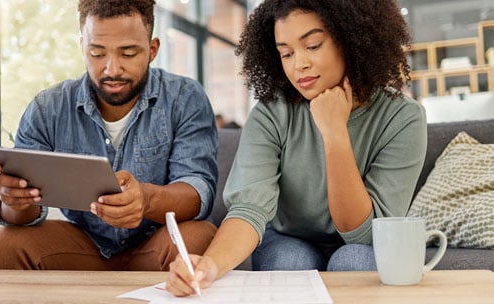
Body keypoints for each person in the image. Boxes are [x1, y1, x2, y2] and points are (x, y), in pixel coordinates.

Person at [166, 0, 427, 296]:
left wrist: (335, 134)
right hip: (287, 238)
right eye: (286, 53)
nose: (298, 64)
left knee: (354, 260)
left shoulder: (403, 117)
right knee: (289, 261)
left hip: (362, 244)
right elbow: (249, 209)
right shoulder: (271, 112)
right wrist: (208, 267)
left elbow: (365, 234)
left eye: (313, 46)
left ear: (352, 39)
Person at [0, 0, 218, 271]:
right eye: (97, 53)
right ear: (82, 47)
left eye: (128, 53)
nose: (112, 69)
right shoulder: (48, 108)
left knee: (200, 237)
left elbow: (199, 190)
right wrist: (16, 202)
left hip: (156, 246)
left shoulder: (184, 98)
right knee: (0, 247)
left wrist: (146, 200)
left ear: (152, 50)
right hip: (82, 247)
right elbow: (17, 217)